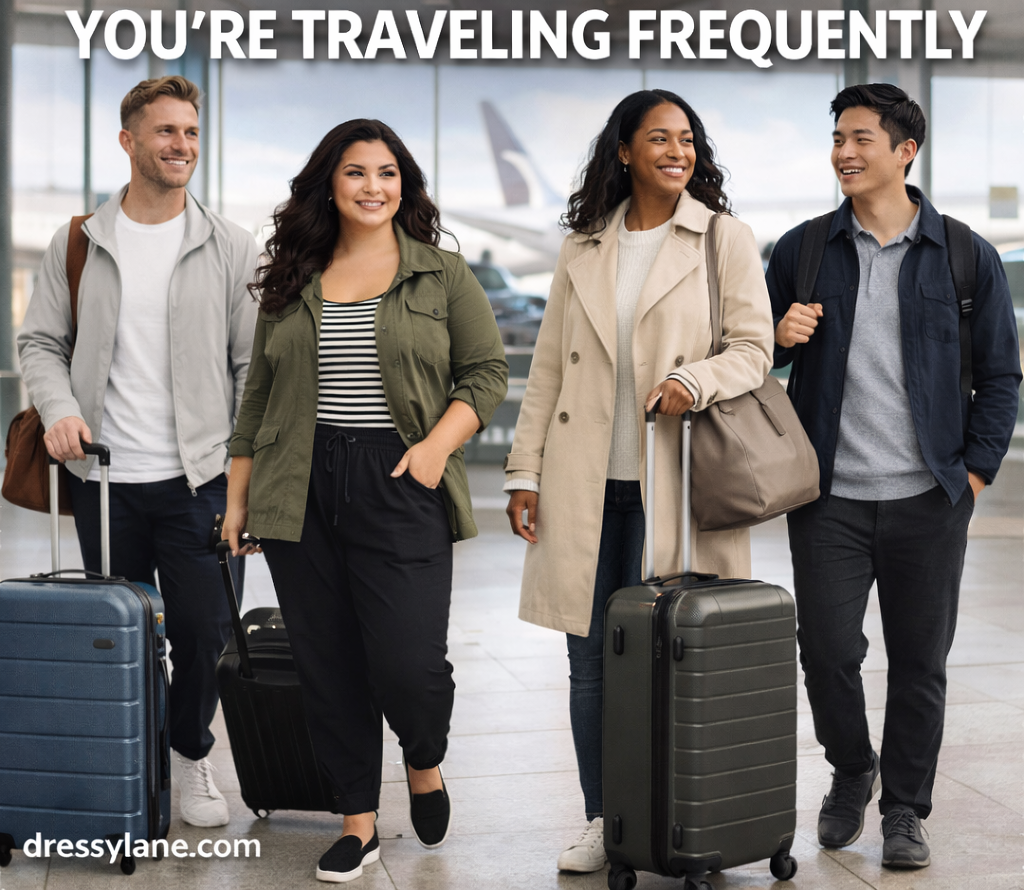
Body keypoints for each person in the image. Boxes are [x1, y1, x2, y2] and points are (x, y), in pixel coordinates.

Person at [221, 119, 507, 883]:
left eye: (387, 173)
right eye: (356, 173)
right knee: (329, 662)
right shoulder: (291, 279)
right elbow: (259, 399)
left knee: (408, 666)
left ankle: (423, 757)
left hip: (399, 476)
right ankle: (357, 821)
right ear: (330, 183)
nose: (373, 187)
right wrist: (239, 501)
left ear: (404, 184)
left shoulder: (441, 275)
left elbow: (484, 375)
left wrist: (434, 449)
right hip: (298, 485)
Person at [504, 89, 775, 873]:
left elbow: (755, 350)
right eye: (658, 138)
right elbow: (548, 370)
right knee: (590, 663)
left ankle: (696, 810)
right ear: (623, 150)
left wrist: (695, 378)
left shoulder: (722, 238)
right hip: (587, 487)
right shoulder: (583, 246)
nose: (676, 151)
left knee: (683, 656)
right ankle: (606, 818)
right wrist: (524, 473)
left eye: (686, 138)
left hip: (678, 490)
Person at [765, 83, 1021, 869]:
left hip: (928, 499)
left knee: (919, 664)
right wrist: (779, 335)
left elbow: (1001, 377)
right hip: (829, 497)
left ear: (906, 151)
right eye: (838, 137)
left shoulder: (965, 255)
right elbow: (751, 357)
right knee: (829, 652)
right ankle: (852, 771)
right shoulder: (803, 250)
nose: (844, 152)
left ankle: (906, 808)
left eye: (861, 138)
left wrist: (973, 476)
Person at [18, 75, 260, 826]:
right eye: (165, 132)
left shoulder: (230, 245)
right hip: (104, 480)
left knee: (203, 633)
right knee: (117, 632)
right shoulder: (80, 241)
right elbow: (39, 343)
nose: (181, 145)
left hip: (201, 481)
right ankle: (134, 757)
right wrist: (57, 411)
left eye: (190, 132)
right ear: (129, 142)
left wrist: (243, 477)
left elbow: (254, 366)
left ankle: (188, 757)